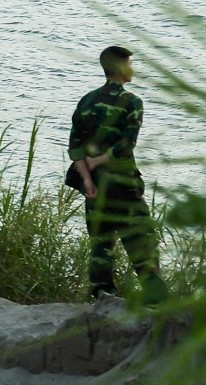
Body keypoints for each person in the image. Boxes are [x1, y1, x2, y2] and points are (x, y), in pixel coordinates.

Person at [69, 46, 165, 302]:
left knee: (101, 243)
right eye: (131, 64)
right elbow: (125, 146)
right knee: (141, 240)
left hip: (94, 186)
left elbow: (75, 147)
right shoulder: (131, 102)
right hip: (123, 185)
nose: (133, 69)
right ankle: (156, 301)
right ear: (121, 68)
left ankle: (103, 295)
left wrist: (88, 177)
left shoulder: (87, 100)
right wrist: (101, 160)